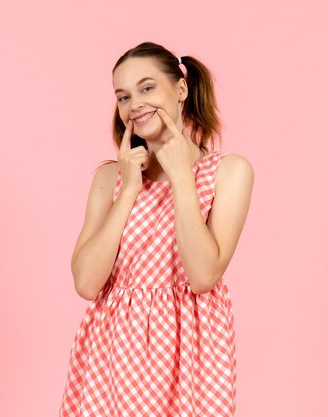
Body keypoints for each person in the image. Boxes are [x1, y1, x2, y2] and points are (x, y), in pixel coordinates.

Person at [58, 41, 254, 417]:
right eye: (123, 96)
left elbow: (202, 276)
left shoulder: (230, 172)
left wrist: (182, 177)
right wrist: (129, 188)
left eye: (147, 88)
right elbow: (86, 284)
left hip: (191, 350)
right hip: (111, 355)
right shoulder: (109, 178)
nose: (135, 104)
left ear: (180, 90)